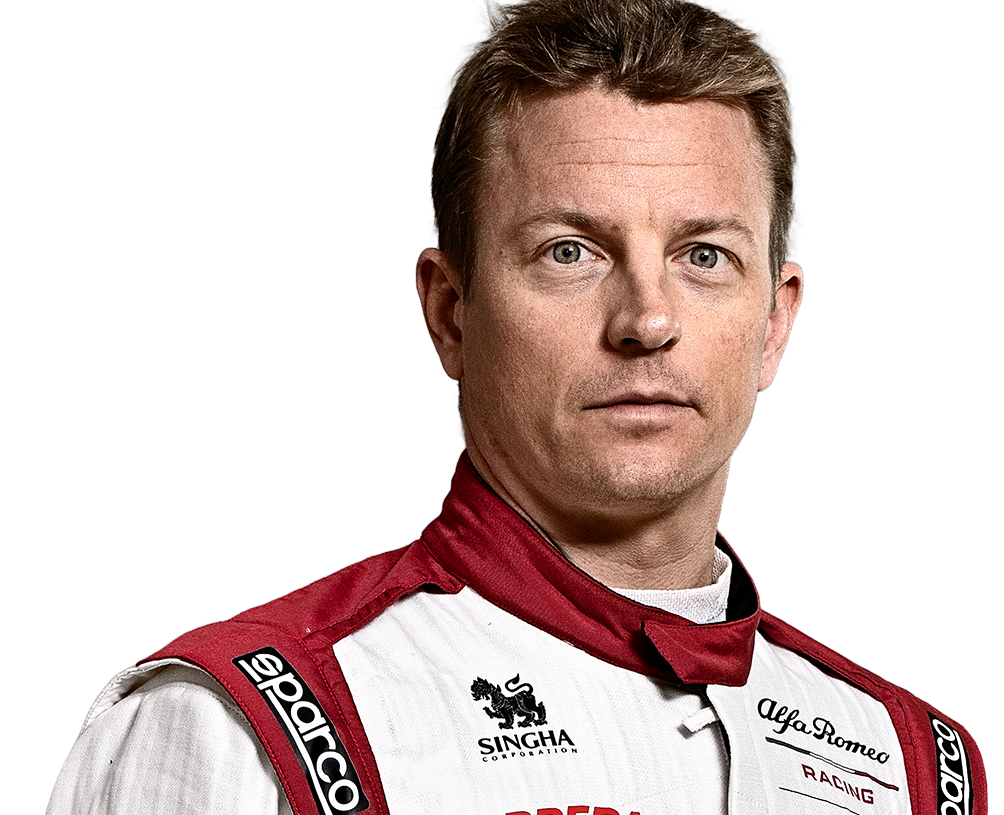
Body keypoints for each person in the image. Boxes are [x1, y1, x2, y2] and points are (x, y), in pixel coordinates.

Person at [46, 0, 986, 813]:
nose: (647, 320)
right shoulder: (244, 727)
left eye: (704, 256)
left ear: (774, 322)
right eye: (570, 252)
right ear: (450, 311)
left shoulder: (916, 767)